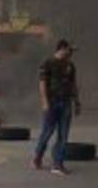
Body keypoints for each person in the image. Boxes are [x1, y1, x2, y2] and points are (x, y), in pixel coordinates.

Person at [32, 39, 80, 175]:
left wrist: (77, 102)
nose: (71, 53)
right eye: (69, 50)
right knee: (47, 132)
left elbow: (73, 85)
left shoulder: (70, 66)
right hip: (52, 102)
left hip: (66, 103)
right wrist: (45, 102)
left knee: (63, 135)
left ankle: (58, 164)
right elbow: (42, 84)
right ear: (62, 49)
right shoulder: (48, 63)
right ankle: (38, 156)